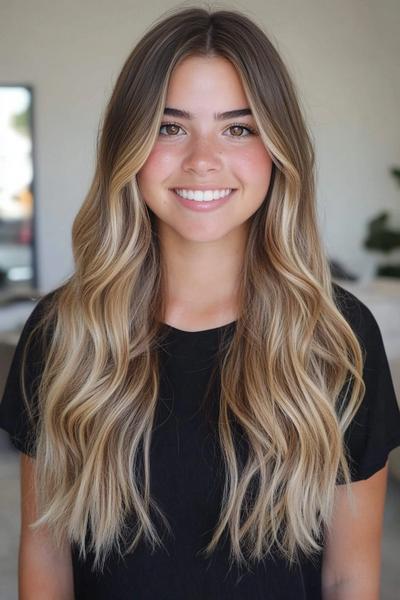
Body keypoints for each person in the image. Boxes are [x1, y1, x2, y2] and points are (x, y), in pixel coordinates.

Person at [1, 5, 400, 600]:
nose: (203, 159)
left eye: (239, 128)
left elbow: (349, 576)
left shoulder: (339, 337)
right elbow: (46, 559)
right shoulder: (63, 332)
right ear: (128, 146)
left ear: (277, 149)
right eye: (170, 126)